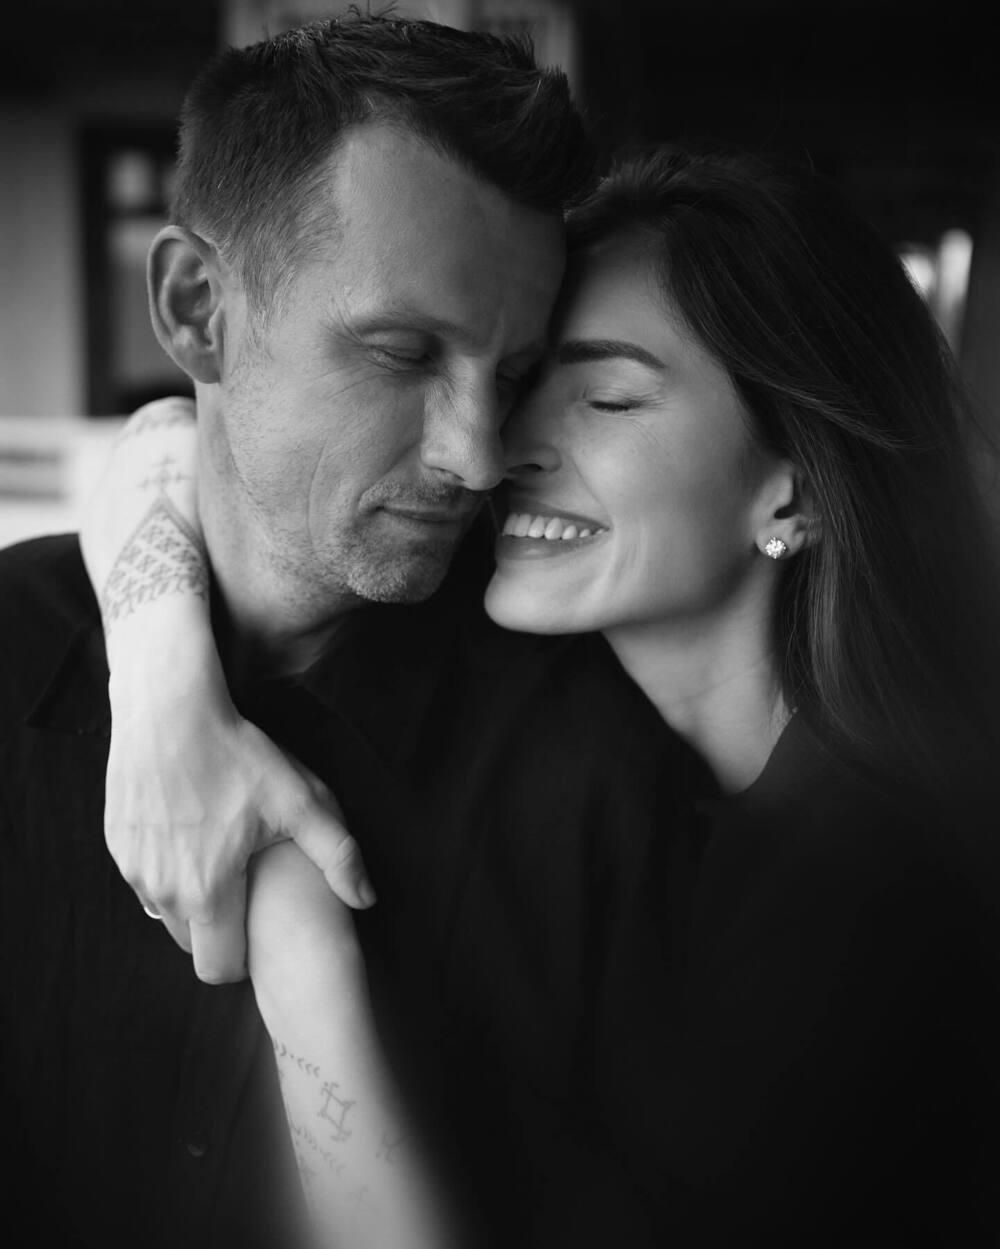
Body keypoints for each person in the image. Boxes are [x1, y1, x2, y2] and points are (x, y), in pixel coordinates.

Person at [85, 139, 1000, 1246]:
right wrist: (165, 688)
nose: (496, 447)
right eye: (525, 384)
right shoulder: (598, 713)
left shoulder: (873, 895)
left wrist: (297, 943)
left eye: (606, 399)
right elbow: (170, 439)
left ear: (793, 491)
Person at [0, 13, 609, 1249]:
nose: (475, 454)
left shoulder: (587, 749)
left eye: (512, 376)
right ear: (196, 308)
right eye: (402, 352)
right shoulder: (15, 642)